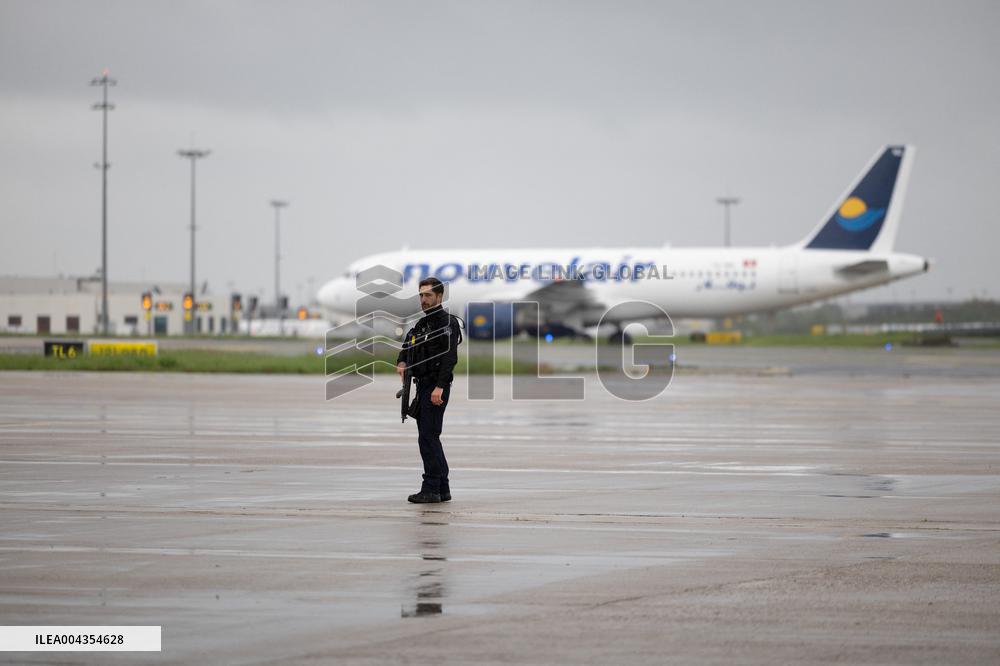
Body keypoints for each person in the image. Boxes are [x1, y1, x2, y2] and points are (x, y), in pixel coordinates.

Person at [396, 277, 462, 503]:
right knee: (430, 437)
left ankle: (431, 488)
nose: (423, 299)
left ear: (439, 297)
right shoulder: (421, 325)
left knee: (427, 437)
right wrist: (402, 361)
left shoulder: (448, 323)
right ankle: (442, 488)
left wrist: (439, 388)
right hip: (422, 386)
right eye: (421, 295)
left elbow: (449, 358)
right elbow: (406, 346)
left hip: (436, 387)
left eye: (428, 295)